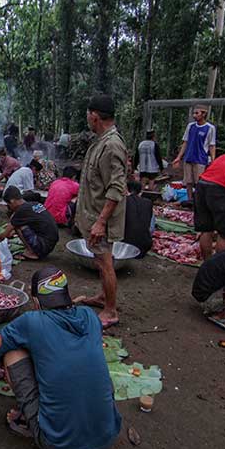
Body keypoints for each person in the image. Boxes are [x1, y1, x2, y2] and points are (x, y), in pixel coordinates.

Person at [0, 267, 122, 449]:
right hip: (107, 435)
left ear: (36, 302)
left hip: (58, 444)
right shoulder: (89, 315)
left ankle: (30, 419)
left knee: (13, 352)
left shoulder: (31, 321)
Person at [74, 94, 127, 329]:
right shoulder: (101, 141)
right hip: (93, 214)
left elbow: (116, 188)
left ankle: (110, 311)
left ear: (95, 116)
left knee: (105, 263)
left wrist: (101, 222)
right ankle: (104, 296)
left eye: (88, 114)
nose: (87, 118)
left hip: (101, 218)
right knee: (99, 260)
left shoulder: (112, 145)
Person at [0, 186, 59, 260]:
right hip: (50, 244)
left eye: (9, 205)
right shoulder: (34, 204)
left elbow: (4, 235)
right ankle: (34, 250)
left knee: (18, 226)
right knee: (19, 224)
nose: (9, 208)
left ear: (12, 201)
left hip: (43, 246)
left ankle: (32, 253)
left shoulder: (22, 210)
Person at [172, 105, 216, 203]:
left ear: (203, 114)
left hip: (200, 158)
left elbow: (212, 145)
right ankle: (189, 200)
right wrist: (179, 157)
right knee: (188, 181)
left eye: (197, 113)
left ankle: (198, 201)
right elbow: (185, 142)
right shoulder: (190, 126)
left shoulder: (210, 128)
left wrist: (213, 160)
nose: (194, 115)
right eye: (194, 113)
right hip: (188, 157)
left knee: (198, 182)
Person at [123, 181, 154, 258]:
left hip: (123, 246)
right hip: (144, 246)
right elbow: (151, 227)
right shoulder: (148, 202)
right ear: (140, 191)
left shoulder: (123, 201)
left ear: (127, 189)